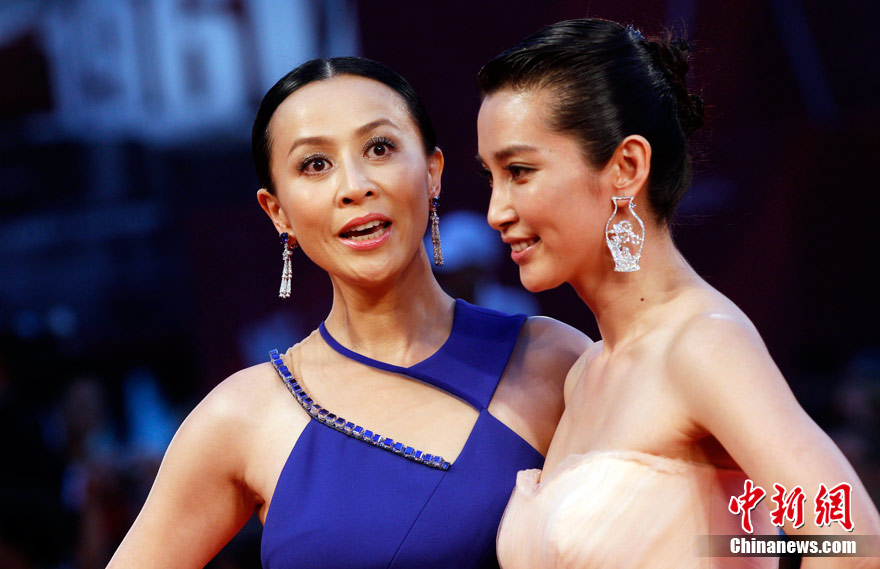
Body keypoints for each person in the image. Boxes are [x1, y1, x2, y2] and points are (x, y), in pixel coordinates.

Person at [106, 56, 588, 568]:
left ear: (432, 172)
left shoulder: (552, 362)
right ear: (278, 212)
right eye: (315, 164)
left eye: (379, 148)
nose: (355, 186)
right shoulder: (242, 417)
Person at [475, 18, 880, 569]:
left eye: (520, 171)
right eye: (491, 177)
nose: (497, 211)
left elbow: (851, 541)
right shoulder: (584, 372)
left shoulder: (701, 345)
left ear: (627, 167)